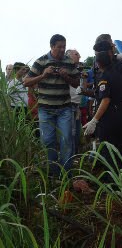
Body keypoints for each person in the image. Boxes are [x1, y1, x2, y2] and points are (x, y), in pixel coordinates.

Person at [24, 34, 80, 177]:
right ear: (52, 46)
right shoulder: (41, 61)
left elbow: (77, 83)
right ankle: (53, 173)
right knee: (48, 141)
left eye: (64, 47)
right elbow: (26, 82)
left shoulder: (68, 62)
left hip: (64, 108)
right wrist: (43, 75)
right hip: (45, 110)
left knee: (66, 140)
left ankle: (66, 174)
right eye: (59, 47)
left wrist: (66, 76)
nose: (62, 49)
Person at [83, 51, 122, 174]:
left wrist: (94, 120)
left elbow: (105, 100)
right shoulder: (120, 76)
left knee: (109, 150)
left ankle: (113, 180)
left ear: (98, 63)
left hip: (109, 119)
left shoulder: (104, 77)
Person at [94, 34, 122, 113]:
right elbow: (99, 91)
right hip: (102, 112)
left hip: (119, 112)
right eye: (111, 43)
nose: (114, 45)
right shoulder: (97, 67)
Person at [66, 49, 82, 154]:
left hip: (76, 105)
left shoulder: (77, 70)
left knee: (76, 132)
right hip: (69, 104)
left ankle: (74, 154)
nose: (79, 56)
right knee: (71, 132)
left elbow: (81, 90)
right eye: (76, 54)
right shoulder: (66, 70)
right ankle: (70, 155)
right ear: (69, 56)